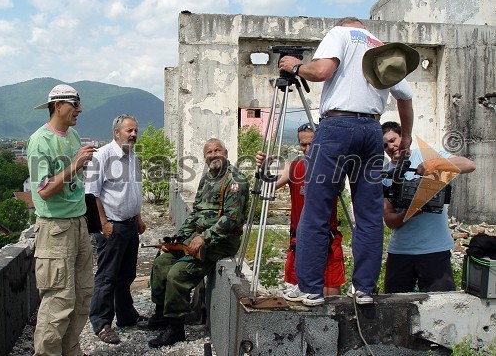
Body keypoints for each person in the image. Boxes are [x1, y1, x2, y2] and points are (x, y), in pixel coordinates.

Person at [277, 16, 418, 305]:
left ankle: (311, 289)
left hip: (337, 126)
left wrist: (293, 65)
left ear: (345, 24)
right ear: (364, 28)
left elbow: (321, 71)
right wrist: (406, 137)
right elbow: (405, 97)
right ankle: (364, 289)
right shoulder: (380, 47)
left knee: (316, 209)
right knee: (368, 214)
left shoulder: (340, 33)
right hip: (371, 129)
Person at [137, 138, 249, 348]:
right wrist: (177, 238)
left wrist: (204, 237)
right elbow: (196, 212)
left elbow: (231, 219)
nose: (213, 154)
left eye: (217, 150)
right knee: (161, 264)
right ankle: (161, 315)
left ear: (226, 152)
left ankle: (175, 328)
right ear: (205, 157)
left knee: (177, 274)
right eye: (209, 152)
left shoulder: (235, 181)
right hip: (197, 238)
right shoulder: (207, 178)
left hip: (220, 242)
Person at [27, 84, 97, 355]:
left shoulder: (73, 135)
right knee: (58, 300)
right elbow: (43, 189)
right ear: (58, 106)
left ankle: (71, 351)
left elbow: (71, 177)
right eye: (75, 104)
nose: (79, 110)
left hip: (77, 223)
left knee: (81, 295)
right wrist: (75, 165)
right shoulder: (39, 141)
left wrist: (80, 166)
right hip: (55, 228)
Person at [255, 123, 346, 303]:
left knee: (330, 300)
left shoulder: (332, 168)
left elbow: (340, 186)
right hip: (300, 244)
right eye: (303, 145)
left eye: (312, 144)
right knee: (298, 302)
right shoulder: (294, 167)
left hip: (326, 242)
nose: (307, 149)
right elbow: (266, 189)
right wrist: (263, 169)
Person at [382, 121, 475, 293]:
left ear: (404, 138)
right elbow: (388, 218)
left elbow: (469, 165)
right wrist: (409, 214)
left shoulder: (428, 156)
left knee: (442, 307)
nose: (391, 146)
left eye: (393, 140)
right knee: (396, 311)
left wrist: (434, 166)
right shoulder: (386, 173)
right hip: (401, 252)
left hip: (435, 250)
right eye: (385, 145)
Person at [84, 114, 147, 344]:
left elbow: (134, 190)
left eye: (135, 131)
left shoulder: (133, 157)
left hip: (130, 225)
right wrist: (103, 223)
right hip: (112, 226)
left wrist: (138, 217)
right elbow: (92, 193)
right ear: (116, 133)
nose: (133, 135)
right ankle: (101, 323)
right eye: (129, 131)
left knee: (126, 275)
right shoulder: (102, 157)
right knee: (107, 277)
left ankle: (127, 316)